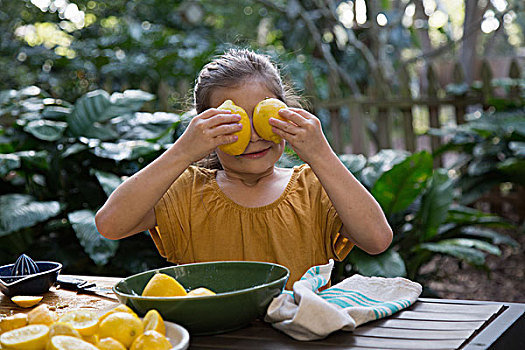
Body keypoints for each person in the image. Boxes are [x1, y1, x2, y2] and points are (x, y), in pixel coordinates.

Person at [95, 49, 392, 288]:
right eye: (234, 122)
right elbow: (110, 224)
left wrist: (321, 155)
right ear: (206, 129)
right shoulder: (186, 191)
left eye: (264, 116)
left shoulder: (315, 187)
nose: (254, 136)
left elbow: (377, 239)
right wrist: (183, 151)